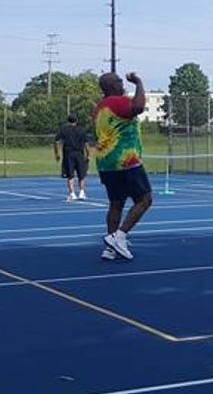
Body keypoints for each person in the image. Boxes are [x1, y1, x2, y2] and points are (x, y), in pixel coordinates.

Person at [93, 70, 153, 261]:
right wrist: (138, 82)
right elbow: (139, 106)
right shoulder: (118, 102)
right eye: (119, 82)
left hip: (106, 161)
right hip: (125, 160)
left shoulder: (99, 107)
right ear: (111, 86)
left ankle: (110, 248)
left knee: (116, 203)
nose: (122, 84)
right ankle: (120, 236)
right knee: (145, 199)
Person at [54, 113, 92, 201]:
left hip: (68, 153)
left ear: (68, 121)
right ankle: (82, 192)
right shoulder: (82, 130)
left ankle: (72, 193)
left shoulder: (64, 129)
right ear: (76, 120)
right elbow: (86, 144)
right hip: (79, 153)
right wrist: (88, 154)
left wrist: (57, 153)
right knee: (81, 174)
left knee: (70, 175)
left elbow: (57, 141)